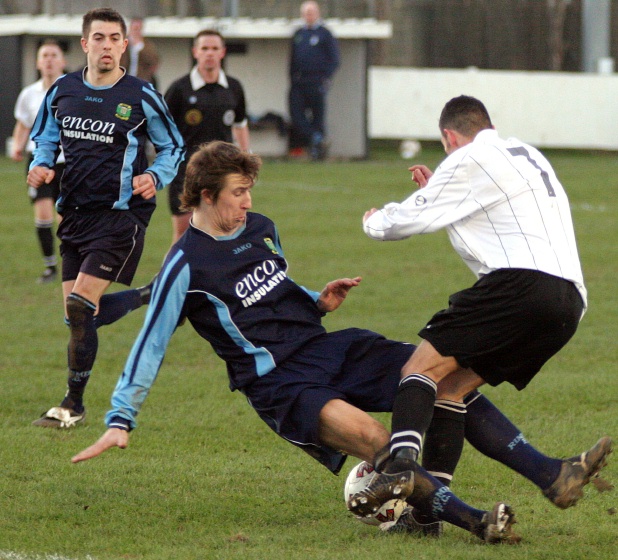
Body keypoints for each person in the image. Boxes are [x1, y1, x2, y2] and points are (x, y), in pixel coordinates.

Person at [71, 142, 610, 543]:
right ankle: (473, 521)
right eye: (238, 192)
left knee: (439, 378)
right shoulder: (184, 263)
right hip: (281, 383)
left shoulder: (261, 226)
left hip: (326, 346)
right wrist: (121, 420)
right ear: (206, 197)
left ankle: (551, 473)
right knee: (376, 436)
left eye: (249, 190)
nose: (248, 200)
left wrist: (315, 300)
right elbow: (151, 342)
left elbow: (275, 287)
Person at [352, 94, 608, 518]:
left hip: (521, 286)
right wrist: (442, 191)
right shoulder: (527, 153)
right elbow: (492, 222)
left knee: (420, 370)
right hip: (569, 304)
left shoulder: (468, 157)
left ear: (449, 136)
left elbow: (409, 221)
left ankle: (400, 468)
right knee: (451, 390)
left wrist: (373, 221)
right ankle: (440, 511)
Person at [27, 7, 185, 429]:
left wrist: (156, 175)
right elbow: (43, 136)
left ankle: (72, 406)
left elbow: (174, 146)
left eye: (115, 38)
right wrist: (40, 164)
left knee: (81, 306)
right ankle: (148, 295)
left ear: (124, 44)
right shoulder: (62, 90)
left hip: (121, 217)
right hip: (74, 215)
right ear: (85, 44)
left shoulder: (141, 93)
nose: (107, 45)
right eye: (99, 38)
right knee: (77, 317)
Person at [164, 29, 250, 243]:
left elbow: (240, 124)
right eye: (204, 48)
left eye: (214, 48)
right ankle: (171, 277)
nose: (209, 53)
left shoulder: (234, 87)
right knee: (184, 235)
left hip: (223, 171)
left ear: (222, 52)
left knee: (229, 230)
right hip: (186, 171)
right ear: (195, 52)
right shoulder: (179, 89)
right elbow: (161, 130)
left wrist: (245, 162)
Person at [11, 39, 66, 284]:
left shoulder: (74, 89)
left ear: (62, 61)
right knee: (43, 213)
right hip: (39, 162)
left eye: (54, 55)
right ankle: (50, 267)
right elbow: (23, 124)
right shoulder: (29, 94)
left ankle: (72, 265)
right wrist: (17, 145)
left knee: (65, 218)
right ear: (37, 62)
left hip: (68, 162)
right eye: (44, 55)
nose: (49, 60)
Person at [288, 1, 339, 161]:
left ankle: (318, 151)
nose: (309, 16)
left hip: (317, 81)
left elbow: (334, 59)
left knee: (318, 117)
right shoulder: (298, 33)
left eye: (311, 12)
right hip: (299, 82)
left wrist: (326, 78)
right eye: (306, 13)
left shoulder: (325, 33)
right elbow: (292, 59)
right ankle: (315, 138)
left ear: (317, 14)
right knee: (296, 115)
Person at [119, 17, 160, 88]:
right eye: (135, 28)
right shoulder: (122, 43)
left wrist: (140, 47)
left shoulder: (147, 45)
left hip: (141, 81)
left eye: (139, 29)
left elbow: (153, 61)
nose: (136, 31)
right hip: (123, 80)